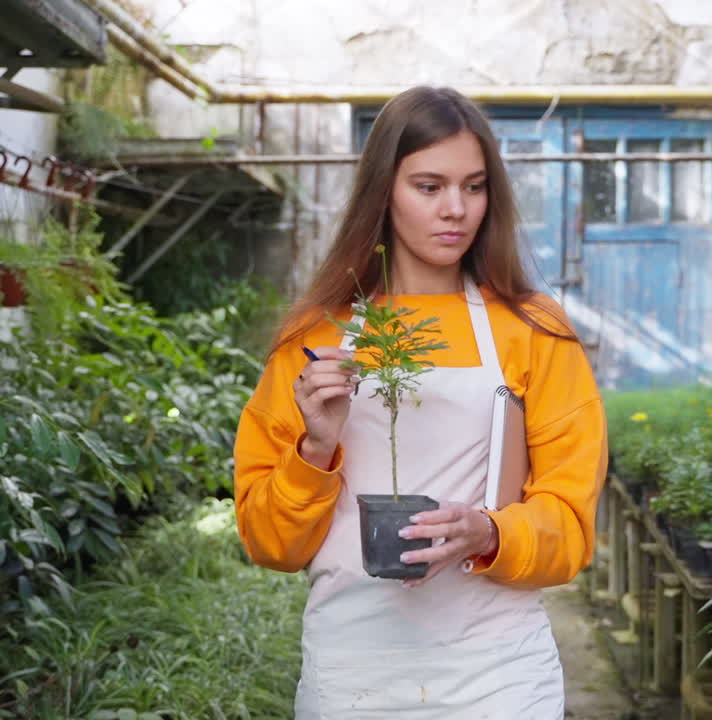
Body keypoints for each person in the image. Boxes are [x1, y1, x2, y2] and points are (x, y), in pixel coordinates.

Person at [233, 85, 607, 718]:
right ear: (385, 191)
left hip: (499, 669)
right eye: (429, 187)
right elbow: (271, 542)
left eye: (474, 186)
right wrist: (316, 449)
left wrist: (490, 532)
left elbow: (570, 527)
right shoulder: (316, 338)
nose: (455, 210)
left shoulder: (534, 330)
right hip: (353, 667)